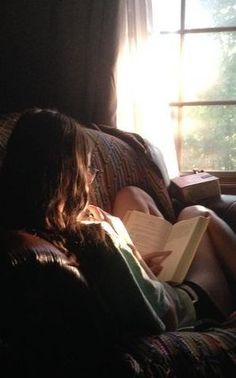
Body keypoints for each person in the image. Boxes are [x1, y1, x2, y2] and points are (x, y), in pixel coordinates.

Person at [0, 108, 235, 337]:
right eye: (90, 169)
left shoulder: (26, 232)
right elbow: (168, 316)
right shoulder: (98, 235)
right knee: (196, 213)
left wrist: (137, 265)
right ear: (74, 175)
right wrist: (134, 257)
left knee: (132, 194)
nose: (92, 179)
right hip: (195, 305)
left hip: (153, 290)